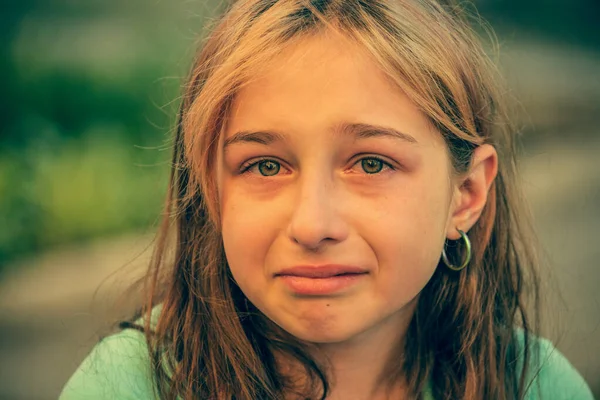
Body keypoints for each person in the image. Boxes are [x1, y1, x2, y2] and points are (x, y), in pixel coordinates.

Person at [59, 0, 595, 399]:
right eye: (265, 166)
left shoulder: (536, 386)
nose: (312, 225)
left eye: (371, 163)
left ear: (466, 194)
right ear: (211, 190)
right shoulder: (125, 386)